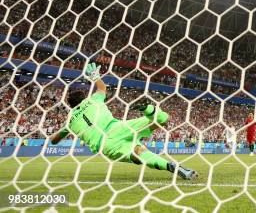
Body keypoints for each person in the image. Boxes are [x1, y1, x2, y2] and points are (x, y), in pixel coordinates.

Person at [50, 62, 197, 180]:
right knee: (162, 121)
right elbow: (102, 87)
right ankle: (148, 109)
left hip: (105, 146)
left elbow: (54, 141)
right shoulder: (93, 100)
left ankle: (170, 166)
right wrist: (94, 76)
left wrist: (60, 132)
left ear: (71, 105)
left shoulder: (69, 121)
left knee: (138, 154)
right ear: (83, 98)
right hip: (117, 127)